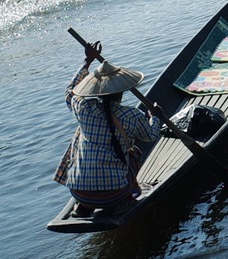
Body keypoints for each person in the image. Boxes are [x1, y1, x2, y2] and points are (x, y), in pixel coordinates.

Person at [53, 56, 160, 210]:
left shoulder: (84, 108)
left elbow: (70, 91)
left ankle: (83, 206)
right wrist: (154, 116)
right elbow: (152, 135)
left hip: (78, 193)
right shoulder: (132, 115)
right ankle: (128, 195)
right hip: (114, 195)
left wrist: (87, 61)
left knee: (80, 137)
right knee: (134, 153)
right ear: (121, 92)